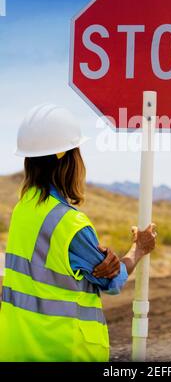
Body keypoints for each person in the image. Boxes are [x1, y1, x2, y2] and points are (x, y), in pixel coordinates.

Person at [0, 103, 156, 362]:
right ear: (69, 159)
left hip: (16, 347)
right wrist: (138, 249)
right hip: (63, 350)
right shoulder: (70, 224)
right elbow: (112, 281)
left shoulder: (22, 210)